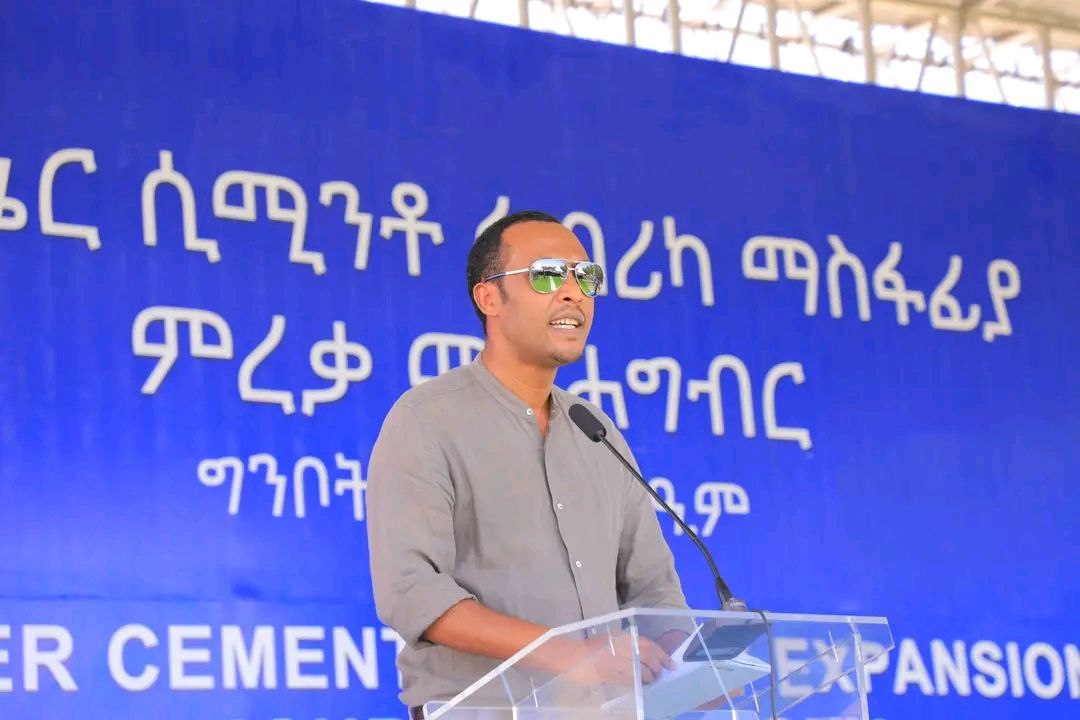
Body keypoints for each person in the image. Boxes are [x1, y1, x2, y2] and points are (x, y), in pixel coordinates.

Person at [366, 211, 688, 713]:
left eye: (586, 276)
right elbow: (411, 591)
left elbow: (654, 592)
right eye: (548, 274)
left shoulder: (596, 432)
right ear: (489, 298)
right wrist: (569, 656)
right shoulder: (427, 421)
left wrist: (688, 669)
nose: (573, 293)